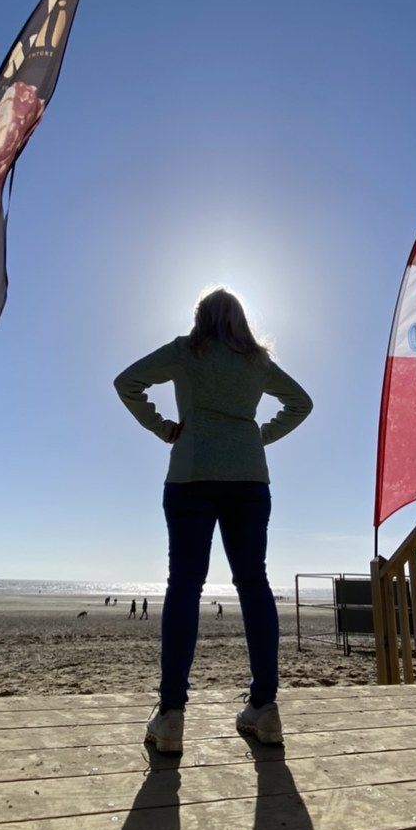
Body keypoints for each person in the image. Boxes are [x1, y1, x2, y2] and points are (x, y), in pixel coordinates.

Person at [114, 287, 312, 753]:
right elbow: (300, 403)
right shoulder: (257, 360)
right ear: (240, 320)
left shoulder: (186, 351)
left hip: (191, 475)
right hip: (249, 479)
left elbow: (127, 382)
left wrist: (163, 428)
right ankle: (264, 707)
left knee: (184, 585)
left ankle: (171, 716)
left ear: (200, 317)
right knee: (254, 584)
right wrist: (258, 436)